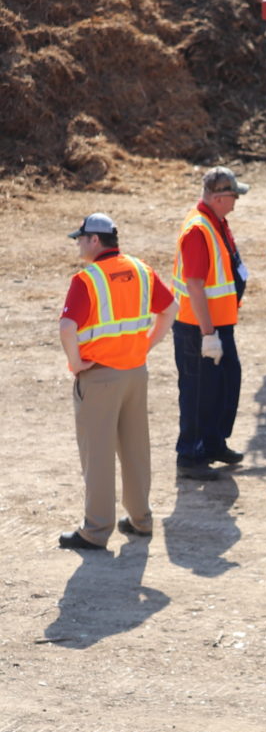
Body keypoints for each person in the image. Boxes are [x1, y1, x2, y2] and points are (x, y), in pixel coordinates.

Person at [58, 213, 177, 551]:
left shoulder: (86, 279)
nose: (78, 244)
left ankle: (95, 531)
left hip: (99, 379)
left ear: (95, 240)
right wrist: (146, 345)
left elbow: (67, 328)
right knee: (136, 449)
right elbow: (171, 309)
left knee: (98, 456)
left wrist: (77, 363)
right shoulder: (141, 270)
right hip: (135, 373)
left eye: (80, 238)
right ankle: (141, 520)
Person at [171, 168, 249, 482]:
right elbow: (194, 285)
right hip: (199, 329)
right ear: (217, 197)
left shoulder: (215, 222)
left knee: (225, 384)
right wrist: (207, 335)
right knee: (197, 391)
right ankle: (190, 455)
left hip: (218, 325)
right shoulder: (198, 230)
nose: (237, 202)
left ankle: (214, 443)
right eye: (233, 196)